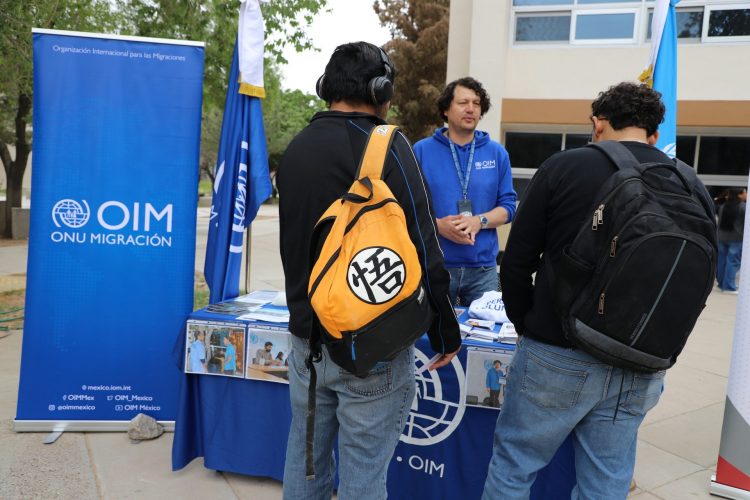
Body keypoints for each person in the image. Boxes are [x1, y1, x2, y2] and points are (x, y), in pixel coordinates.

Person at [483, 82, 714, 499]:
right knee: (606, 481)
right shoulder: (689, 183)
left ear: (598, 123)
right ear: (653, 134)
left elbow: (515, 263)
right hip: (641, 359)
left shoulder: (564, 166)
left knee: (515, 466)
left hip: (558, 349)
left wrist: (527, 325)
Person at [277, 41, 461, 500]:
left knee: (305, 463)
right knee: (362, 478)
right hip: (371, 343)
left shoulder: (297, 147)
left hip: (305, 340)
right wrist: (445, 331)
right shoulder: (386, 146)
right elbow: (424, 245)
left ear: (327, 86)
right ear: (382, 90)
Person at [414, 77, 517, 306]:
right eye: (463, 102)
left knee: (484, 329)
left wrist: (479, 221)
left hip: (482, 271)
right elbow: (407, 206)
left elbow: (509, 207)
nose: (471, 109)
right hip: (435, 265)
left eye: (476, 103)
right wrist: (437, 226)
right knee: (434, 328)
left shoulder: (497, 153)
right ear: (446, 109)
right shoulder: (421, 151)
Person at [717, 187, 747, 294]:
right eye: (745, 192)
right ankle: (729, 287)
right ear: (739, 195)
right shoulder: (743, 207)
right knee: (733, 262)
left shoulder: (723, 206)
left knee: (722, 261)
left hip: (722, 237)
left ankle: (722, 284)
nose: (746, 194)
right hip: (736, 238)